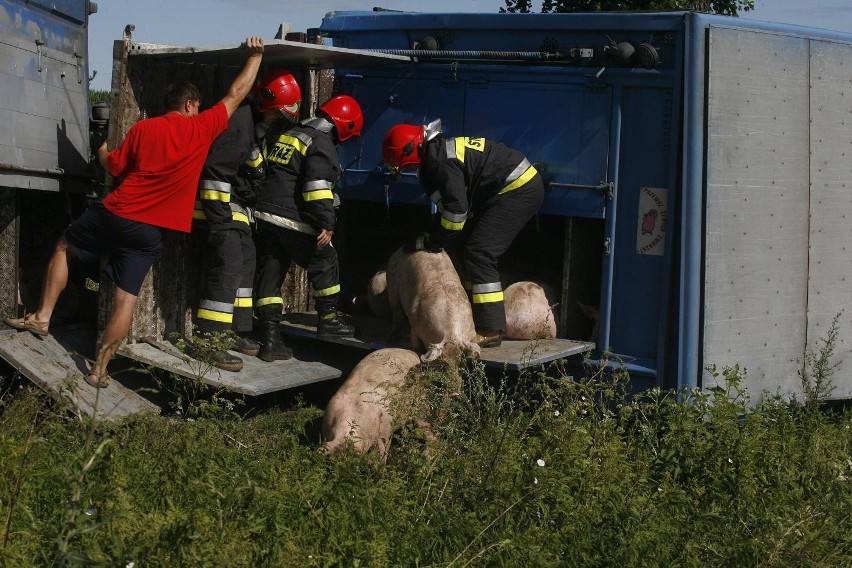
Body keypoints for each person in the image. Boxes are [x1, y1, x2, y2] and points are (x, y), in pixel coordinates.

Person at [3, 37, 266, 388]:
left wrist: (100, 151)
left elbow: (114, 166)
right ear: (190, 105)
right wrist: (256, 56)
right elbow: (237, 93)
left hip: (117, 212)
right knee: (125, 298)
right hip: (151, 231)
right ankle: (100, 369)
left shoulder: (144, 128)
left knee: (65, 246)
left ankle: (41, 317)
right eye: (198, 106)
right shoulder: (201, 129)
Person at [382, 119, 545, 348]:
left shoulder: (440, 162)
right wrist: (437, 237)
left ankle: (490, 329)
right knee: (465, 245)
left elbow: (457, 214)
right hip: (505, 190)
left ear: (413, 151)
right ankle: (472, 314)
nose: (405, 170)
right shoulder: (433, 162)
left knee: (480, 251)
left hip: (518, 189)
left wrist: (433, 240)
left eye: (404, 165)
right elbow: (451, 212)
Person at [189, 69, 302, 371]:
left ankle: (235, 332)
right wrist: (219, 220)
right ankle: (209, 340)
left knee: (246, 263)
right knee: (227, 268)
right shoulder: (240, 123)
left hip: (236, 213)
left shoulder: (254, 126)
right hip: (218, 212)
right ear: (271, 107)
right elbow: (216, 172)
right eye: (280, 113)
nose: (281, 119)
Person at [252, 94, 363, 359]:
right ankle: (328, 320)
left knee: (271, 271)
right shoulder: (322, 142)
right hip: (291, 217)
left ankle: (269, 340)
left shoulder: (292, 131)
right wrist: (327, 222)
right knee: (325, 260)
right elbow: (316, 186)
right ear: (344, 126)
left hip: (264, 214)